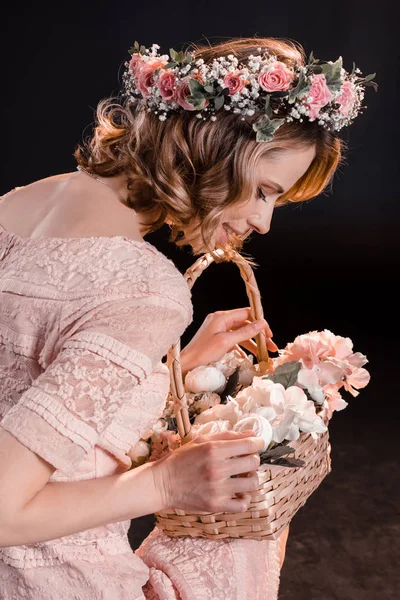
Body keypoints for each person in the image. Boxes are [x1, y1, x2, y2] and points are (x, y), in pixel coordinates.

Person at [0, 36, 375, 599]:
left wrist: (184, 359)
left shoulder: (19, 203)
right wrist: (163, 483)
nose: (264, 222)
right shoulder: (146, 289)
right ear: (212, 147)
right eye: (266, 191)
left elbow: (32, 387)